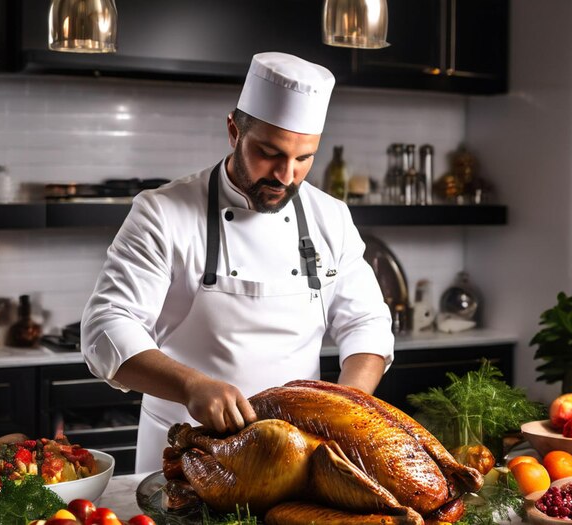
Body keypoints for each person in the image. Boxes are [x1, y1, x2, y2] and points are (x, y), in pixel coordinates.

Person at [81, 51, 394, 473]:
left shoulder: (331, 216)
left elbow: (367, 324)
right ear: (234, 130)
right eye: (269, 152)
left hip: (295, 457)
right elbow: (106, 325)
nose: (286, 175)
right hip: (185, 449)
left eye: (303, 158)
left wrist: (346, 408)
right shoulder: (161, 212)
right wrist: (191, 385)